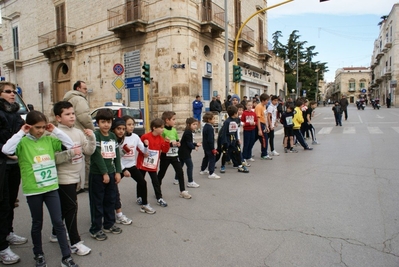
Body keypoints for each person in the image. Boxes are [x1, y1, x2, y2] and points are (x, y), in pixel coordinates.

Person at [1, 110, 78, 267]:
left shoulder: (49, 140)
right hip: (34, 190)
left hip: (51, 188)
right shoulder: (22, 143)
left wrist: (54, 130)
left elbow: (70, 145)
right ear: (29, 127)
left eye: (43, 127)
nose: (41, 130)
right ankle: (39, 254)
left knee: (58, 222)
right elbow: (6, 150)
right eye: (37, 127)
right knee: (37, 223)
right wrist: (21, 132)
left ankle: (66, 256)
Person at [52, 101, 95, 256]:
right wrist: (70, 153)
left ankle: (55, 233)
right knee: (71, 208)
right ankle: (75, 243)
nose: (71, 116)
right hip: (63, 178)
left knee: (66, 207)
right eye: (67, 114)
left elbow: (88, 151)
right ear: (58, 117)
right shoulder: (55, 134)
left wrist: (91, 138)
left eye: (72, 113)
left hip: (76, 176)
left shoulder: (77, 132)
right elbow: (54, 158)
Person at [0, 82, 28, 265]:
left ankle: (8, 233)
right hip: (1, 163)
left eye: (14, 91)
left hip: (14, 164)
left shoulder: (17, 114)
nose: (13, 94)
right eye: (8, 92)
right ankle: (2, 248)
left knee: (10, 202)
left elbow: (26, 133)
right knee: (1, 204)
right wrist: (3, 150)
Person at [89, 109, 122, 241]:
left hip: (111, 172)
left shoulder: (113, 137)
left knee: (110, 199)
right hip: (98, 174)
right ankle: (95, 228)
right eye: (103, 122)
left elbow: (117, 156)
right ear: (97, 123)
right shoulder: (96, 136)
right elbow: (97, 156)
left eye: (108, 122)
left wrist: (117, 171)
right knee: (97, 202)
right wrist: (104, 173)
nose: (106, 125)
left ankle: (109, 224)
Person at [63, 80, 95, 194]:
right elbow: (84, 117)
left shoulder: (68, 98)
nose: (86, 91)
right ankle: (87, 184)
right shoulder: (79, 99)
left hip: (71, 132)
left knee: (74, 159)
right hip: (82, 131)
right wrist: (92, 129)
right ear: (78, 89)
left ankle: (76, 185)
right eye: (84, 89)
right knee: (88, 159)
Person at [120, 115, 155, 214]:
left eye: (133, 124)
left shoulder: (135, 137)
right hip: (121, 166)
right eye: (129, 124)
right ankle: (116, 201)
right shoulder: (119, 138)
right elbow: (116, 157)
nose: (131, 127)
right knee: (113, 185)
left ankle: (145, 204)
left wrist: (146, 146)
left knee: (143, 182)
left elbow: (144, 151)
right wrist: (123, 170)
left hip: (132, 166)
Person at [157, 111, 191, 199]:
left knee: (180, 172)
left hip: (174, 155)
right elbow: (161, 143)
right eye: (173, 119)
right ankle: (157, 190)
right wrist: (171, 144)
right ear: (167, 120)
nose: (175, 121)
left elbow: (177, 140)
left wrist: (178, 143)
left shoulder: (174, 130)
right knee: (161, 173)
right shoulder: (162, 130)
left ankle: (182, 191)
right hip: (166, 156)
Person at [136, 118, 170, 207]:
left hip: (152, 164)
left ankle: (159, 197)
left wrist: (167, 143)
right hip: (143, 163)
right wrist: (143, 151)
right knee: (141, 180)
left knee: (155, 181)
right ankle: (139, 196)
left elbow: (165, 150)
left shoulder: (161, 138)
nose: (163, 129)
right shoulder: (145, 136)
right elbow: (138, 148)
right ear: (154, 128)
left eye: (163, 127)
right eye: (161, 127)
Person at [110, 118, 133, 225]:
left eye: (123, 129)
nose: (121, 131)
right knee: (112, 194)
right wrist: (123, 170)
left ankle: (116, 214)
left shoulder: (118, 140)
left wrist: (124, 151)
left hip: (113, 170)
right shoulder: (111, 139)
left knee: (114, 193)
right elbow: (114, 158)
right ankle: (115, 216)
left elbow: (117, 156)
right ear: (113, 129)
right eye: (118, 128)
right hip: (107, 171)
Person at [218, 106, 249, 173]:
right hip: (227, 138)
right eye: (237, 112)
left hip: (234, 138)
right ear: (234, 113)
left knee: (237, 151)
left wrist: (237, 139)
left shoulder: (237, 119)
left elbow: (236, 130)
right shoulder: (227, 121)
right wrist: (224, 142)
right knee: (225, 153)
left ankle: (240, 166)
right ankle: (222, 166)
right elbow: (224, 132)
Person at [175, 117, 201, 187]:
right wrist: (194, 147)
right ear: (189, 124)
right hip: (185, 152)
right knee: (190, 166)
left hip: (182, 151)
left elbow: (189, 142)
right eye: (193, 124)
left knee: (180, 165)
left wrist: (196, 144)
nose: (195, 126)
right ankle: (190, 181)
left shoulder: (189, 132)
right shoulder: (188, 132)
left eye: (196, 124)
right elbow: (189, 143)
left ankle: (176, 179)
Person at [200, 112, 220, 178]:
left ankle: (203, 169)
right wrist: (213, 149)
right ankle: (211, 173)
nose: (214, 120)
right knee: (212, 158)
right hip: (209, 146)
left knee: (206, 157)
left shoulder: (205, 126)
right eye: (213, 119)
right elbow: (210, 139)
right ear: (209, 120)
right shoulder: (210, 128)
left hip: (205, 145)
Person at [255, 93, 272, 160]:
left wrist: (267, 126)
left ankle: (247, 154)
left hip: (263, 124)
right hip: (260, 124)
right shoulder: (259, 107)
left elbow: (264, 117)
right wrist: (259, 129)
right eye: (267, 100)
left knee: (263, 139)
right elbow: (258, 118)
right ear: (263, 100)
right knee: (264, 139)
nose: (267, 102)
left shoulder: (264, 106)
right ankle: (264, 154)